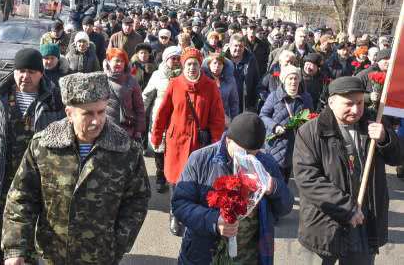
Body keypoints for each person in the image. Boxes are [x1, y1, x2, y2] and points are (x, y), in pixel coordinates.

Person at [1, 72, 151, 265]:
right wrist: (16, 248)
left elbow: (137, 201)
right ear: (69, 113)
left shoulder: (126, 150)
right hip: (52, 255)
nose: (97, 120)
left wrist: (117, 243)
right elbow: (21, 197)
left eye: (101, 111)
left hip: (100, 257)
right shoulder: (45, 146)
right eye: (88, 113)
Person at [0, 48, 65, 264]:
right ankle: (0, 249)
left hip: (35, 178)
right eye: (21, 70)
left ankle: (24, 256)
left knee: (30, 223)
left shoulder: (54, 99)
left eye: (31, 72)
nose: (25, 76)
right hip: (0, 173)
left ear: (41, 73)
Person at [293, 76, 404, 265]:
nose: (356, 109)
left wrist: (386, 138)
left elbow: (398, 158)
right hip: (325, 225)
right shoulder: (310, 132)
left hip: (363, 223)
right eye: (349, 104)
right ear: (331, 102)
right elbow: (308, 179)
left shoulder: (373, 122)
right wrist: (347, 208)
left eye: (360, 102)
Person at [172, 112, 294, 265]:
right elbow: (180, 205)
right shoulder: (200, 159)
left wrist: (274, 187)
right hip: (205, 255)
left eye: (254, 154)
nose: (249, 158)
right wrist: (214, 221)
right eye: (244, 152)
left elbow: (285, 207)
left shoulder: (266, 163)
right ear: (228, 140)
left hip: (249, 257)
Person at [151, 47, 225, 236]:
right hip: (177, 141)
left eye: (195, 64)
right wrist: (156, 135)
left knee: (197, 180)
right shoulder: (175, 84)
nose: (192, 67)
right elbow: (163, 113)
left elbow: (217, 118)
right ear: (183, 65)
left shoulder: (210, 86)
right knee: (176, 180)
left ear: (201, 65)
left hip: (200, 144)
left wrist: (217, 144)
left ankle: (192, 215)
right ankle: (175, 213)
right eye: (189, 64)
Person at [260, 65, 313, 183]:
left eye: (295, 78)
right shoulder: (274, 96)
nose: (293, 81)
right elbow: (263, 115)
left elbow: (310, 117)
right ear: (284, 80)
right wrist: (275, 126)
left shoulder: (306, 98)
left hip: (295, 146)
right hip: (276, 144)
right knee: (272, 180)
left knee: (285, 179)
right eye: (290, 78)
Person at [143, 46, 182, 193]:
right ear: (166, 60)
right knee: (159, 148)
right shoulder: (158, 75)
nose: (177, 61)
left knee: (176, 149)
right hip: (160, 118)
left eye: (179, 58)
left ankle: (175, 176)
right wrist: (140, 113)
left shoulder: (185, 75)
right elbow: (146, 96)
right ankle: (160, 177)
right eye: (173, 58)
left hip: (178, 118)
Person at [104, 48, 146, 139]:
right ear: (109, 61)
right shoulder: (101, 79)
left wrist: (138, 131)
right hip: (104, 129)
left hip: (126, 131)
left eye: (122, 61)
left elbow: (139, 107)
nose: (119, 64)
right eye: (116, 61)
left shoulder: (132, 81)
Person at [225, 33, 260, 113]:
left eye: (241, 46)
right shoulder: (223, 60)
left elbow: (256, 80)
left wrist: (253, 105)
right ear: (229, 46)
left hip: (245, 103)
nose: (238, 48)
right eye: (235, 46)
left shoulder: (251, 60)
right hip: (227, 103)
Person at [201, 53, 239, 126]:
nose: (217, 66)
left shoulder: (230, 80)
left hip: (225, 120)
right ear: (209, 65)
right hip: (207, 118)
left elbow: (234, 102)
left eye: (220, 64)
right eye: (214, 63)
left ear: (223, 66)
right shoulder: (203, 79)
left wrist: (234, 121)